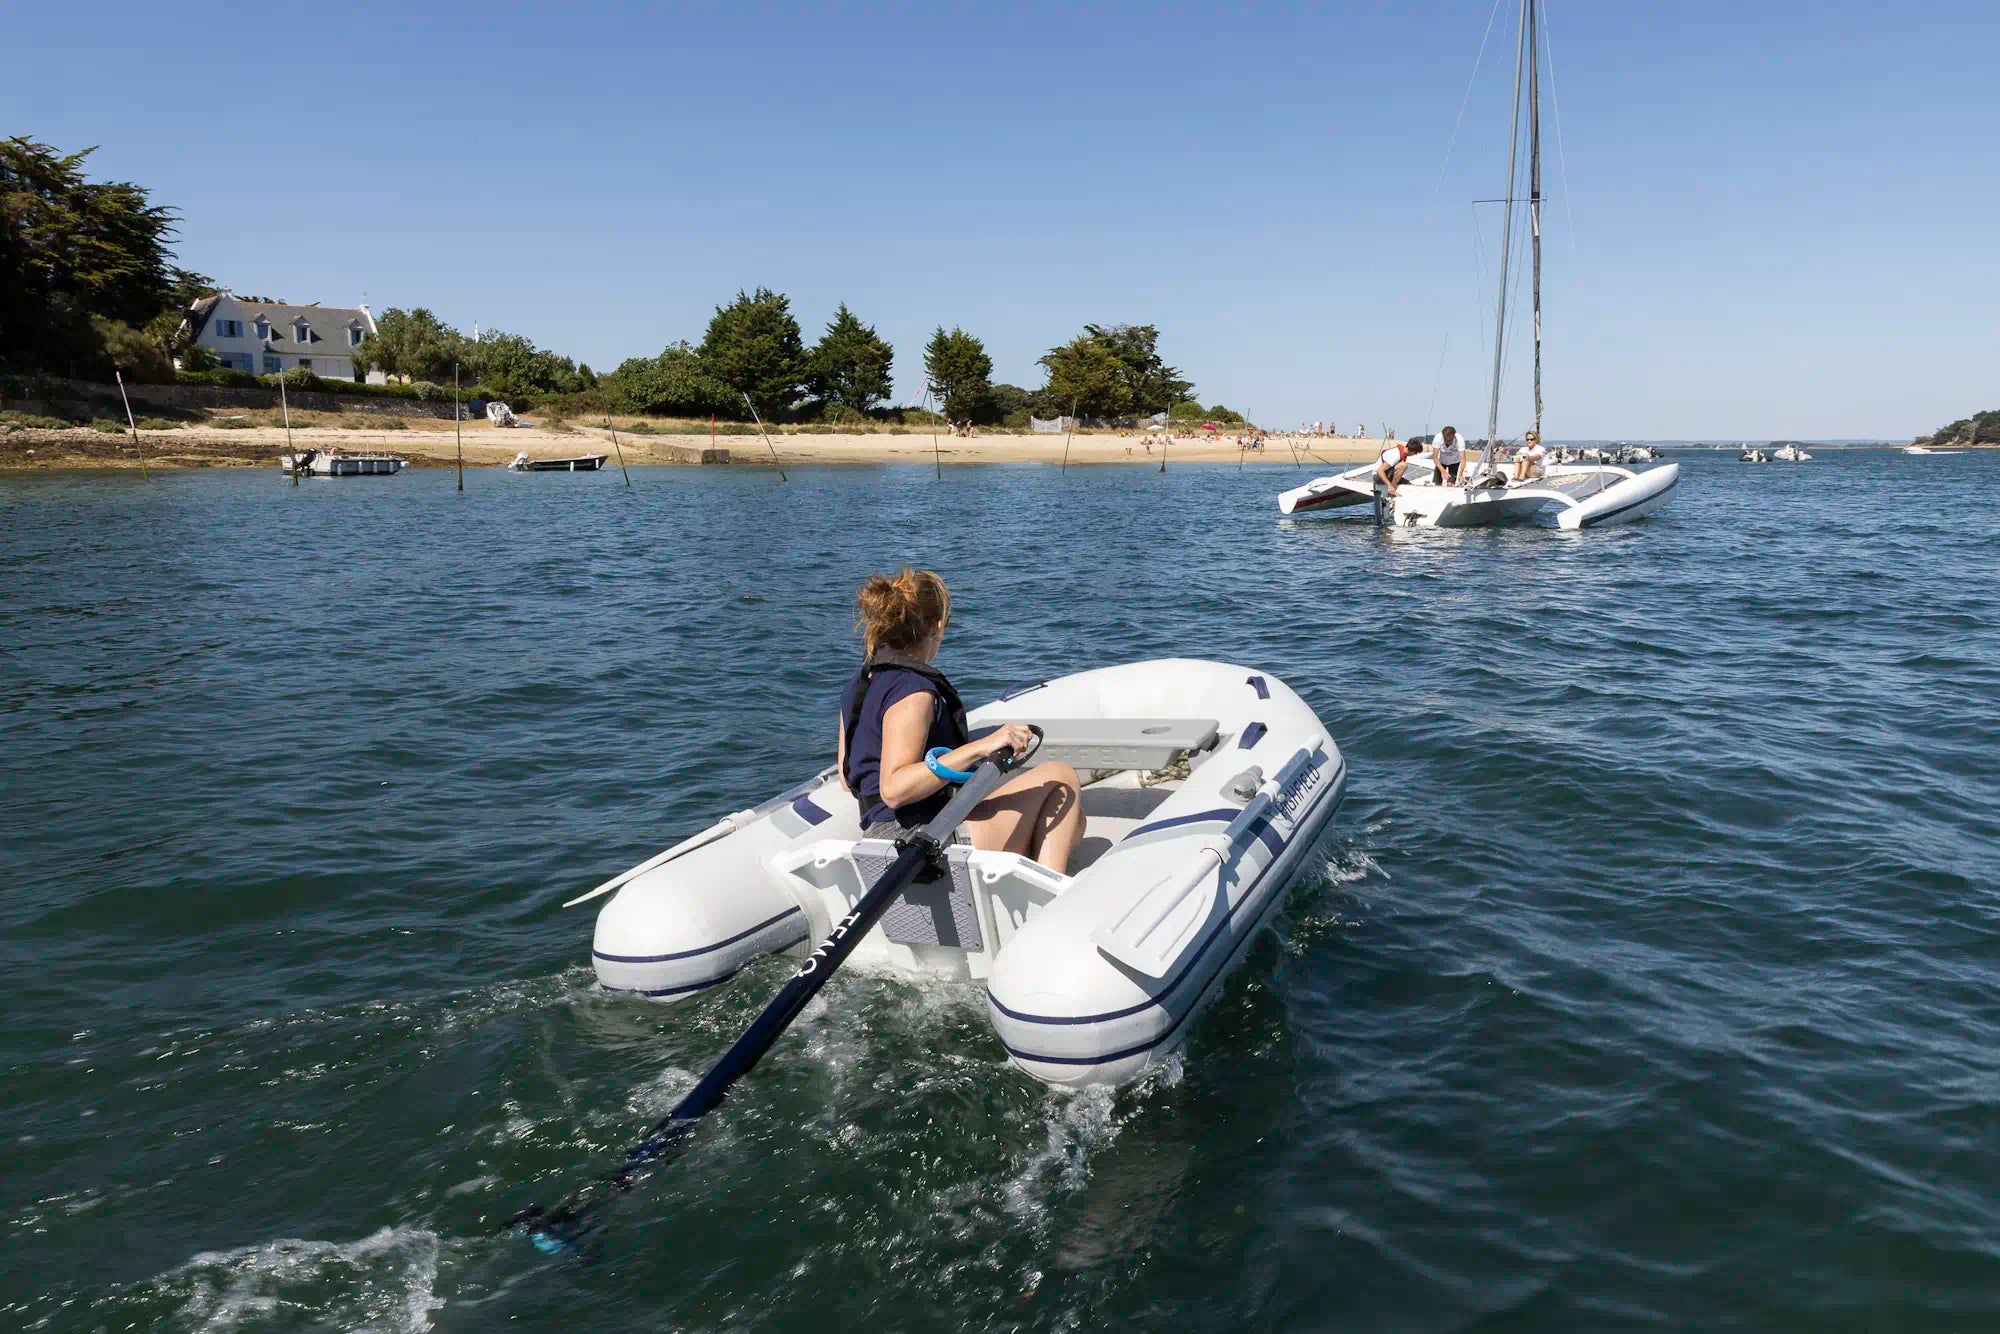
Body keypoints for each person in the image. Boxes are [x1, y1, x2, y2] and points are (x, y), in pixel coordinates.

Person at [836, 568, 1084, 873]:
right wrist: (983, 746)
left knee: (1076, 823)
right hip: (921, 843)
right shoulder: (913, 691)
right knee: (1061, 778)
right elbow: (894, 789)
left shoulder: (858, 686)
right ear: (937, 627)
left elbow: (850, 780)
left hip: (876, 843)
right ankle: (1051, 902)